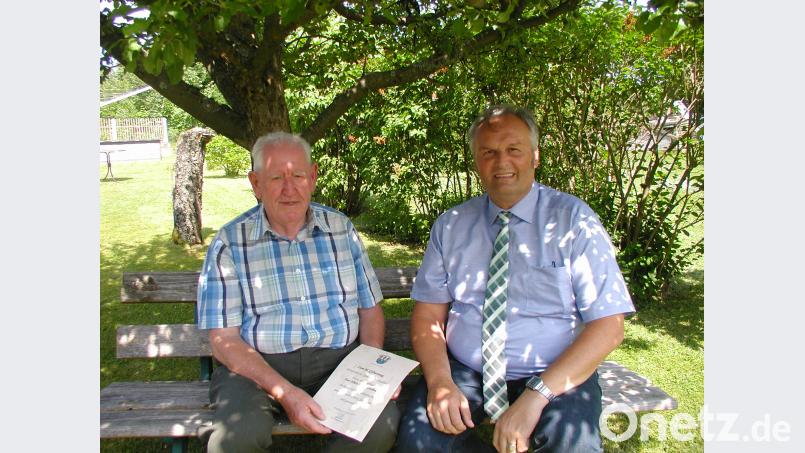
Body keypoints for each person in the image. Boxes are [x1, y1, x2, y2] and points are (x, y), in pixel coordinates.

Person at [396, 105, 636, 453]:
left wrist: (537, 395)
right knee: (419, 441)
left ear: (535, 156)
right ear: (476, 161)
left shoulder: (574, 221)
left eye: (514, 149)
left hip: (555, 372)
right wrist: (440, 382)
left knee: (574, 445)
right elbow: (428, 317)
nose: (502, 162)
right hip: (467, 370)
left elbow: (609, 326)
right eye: (489, 153)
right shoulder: (451, 225)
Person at [196, 132, 399, 452]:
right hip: (256, 370)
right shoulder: (230, 243)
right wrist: (285, 392)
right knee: (236, 439)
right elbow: (224, 340)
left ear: (313, 177)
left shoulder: (340, 229)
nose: (289, 189)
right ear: (256, 183)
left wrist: (371, 365)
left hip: (339, 365)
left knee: (377, 428)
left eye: (298, 176)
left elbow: (369, 309)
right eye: (276, 178)